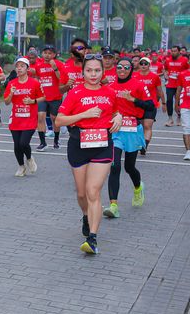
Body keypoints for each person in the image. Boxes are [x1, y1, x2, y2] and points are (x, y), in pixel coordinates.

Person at [56, 53, 122, 255]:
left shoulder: (110, 92)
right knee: (82, 193)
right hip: (78, 145)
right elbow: (59, 120)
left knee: (93, 191)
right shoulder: (75, 93)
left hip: (102, 145)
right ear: (83, 72)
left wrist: (118, 117)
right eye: (89, 70)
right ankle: (86, 215)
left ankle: (92, 238)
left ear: (103, 72)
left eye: (97, 70)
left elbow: (115, 111)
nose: (93, 74)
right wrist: (83, 114)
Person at [103, 59, 153, 219]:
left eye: (126, 67)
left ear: (131, 69)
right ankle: (113, 206)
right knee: (115, 166)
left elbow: (150, 106)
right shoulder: (110, 87)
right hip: (116, 131)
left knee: (129, 167)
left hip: (132, 131)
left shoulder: (138, 85)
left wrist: (134, 100)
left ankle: (138, 187)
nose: (122, 70)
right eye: (119, 67)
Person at [3, 58, 44, 177]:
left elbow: (43, 97)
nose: (19, 68)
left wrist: (32, 101)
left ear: (27, 68)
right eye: (17, 66)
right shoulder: (12, 83)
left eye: (22, 66)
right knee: (17, 145)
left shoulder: (34, 83)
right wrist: (11, 93)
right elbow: (6, 102)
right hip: (16, 118)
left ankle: (29, 158)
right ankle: (21, 167)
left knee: (23, 143)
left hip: (30, 118)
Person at [34, 45, 64, 151]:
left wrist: (55, 68)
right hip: (42, 97)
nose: (47, 55)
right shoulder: (38, 65)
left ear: (54, 54)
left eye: (50, 53)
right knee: (40, 117)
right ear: (42, 54)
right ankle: (43, 143)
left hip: (55, 96)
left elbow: (62, 78)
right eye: (45, 53)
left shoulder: (59, 64)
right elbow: (37, 78)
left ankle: (56, 140)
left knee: (54, 118)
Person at [135, 57, 165, 154]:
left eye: (146, 64)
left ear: (149, 65)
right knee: (140, 127)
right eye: (141, 63)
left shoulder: (155, 77)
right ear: (139, 65)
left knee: (147, 126)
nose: (143, 65)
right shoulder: (134, 76)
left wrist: (163, 103)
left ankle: (144, 146)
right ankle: (140, 143)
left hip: (150, 104)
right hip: (138, 104)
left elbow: (159, 90)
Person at [164, 45, 189, 127]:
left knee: (179, 101)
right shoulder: (168, 60)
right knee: (169, 100)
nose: (173, 52)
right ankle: (170, 118)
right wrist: (165, 74)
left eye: (175, 51)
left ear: (179, 52)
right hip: (170, 83)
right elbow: (165, 69)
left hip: (180, 84)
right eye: (172, 51)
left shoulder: (184, 60)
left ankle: (179, 117)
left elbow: (189, 70)